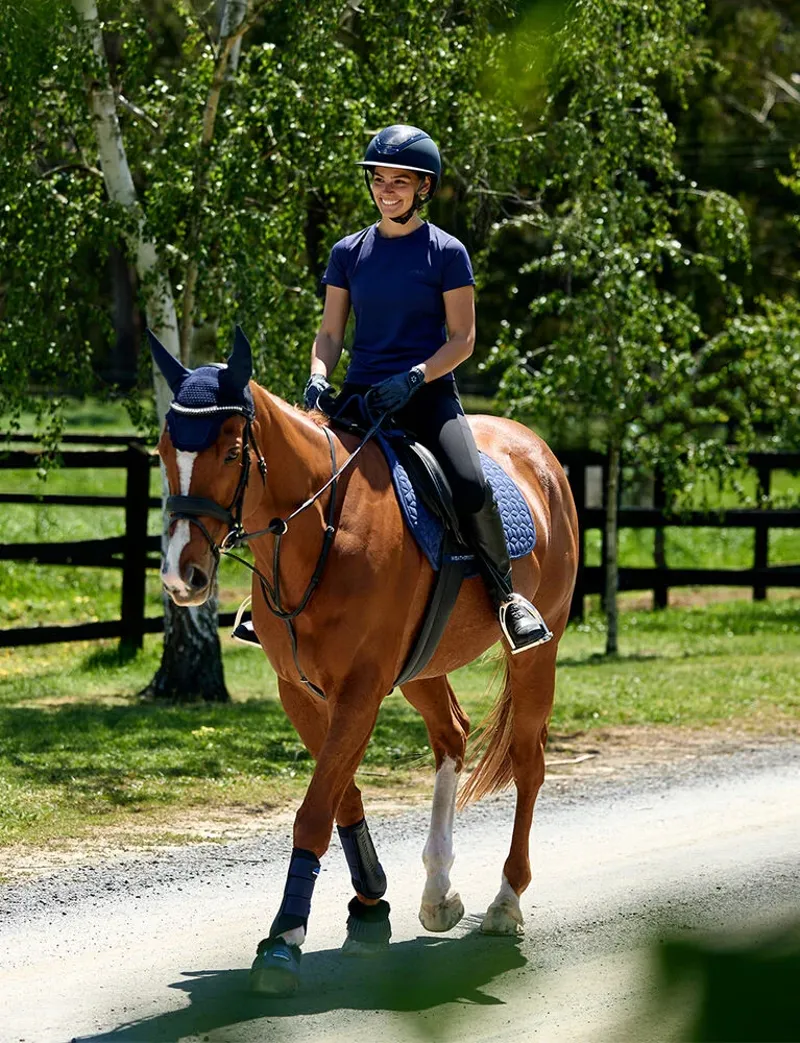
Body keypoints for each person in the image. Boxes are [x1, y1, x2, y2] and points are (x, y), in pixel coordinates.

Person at [304, 124, 551, 654]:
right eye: (379, 180)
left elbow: (462, 340)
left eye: (400, 181)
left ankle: (507, 600)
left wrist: (415, 376)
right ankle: (272, 605)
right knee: (303, 476)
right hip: (361, 398)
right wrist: (319, 375)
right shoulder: (348, 252)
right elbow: (329, 333)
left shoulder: (446, 252)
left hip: (427, 395)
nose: (387, 190)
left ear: (423, 188)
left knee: (468, 482)